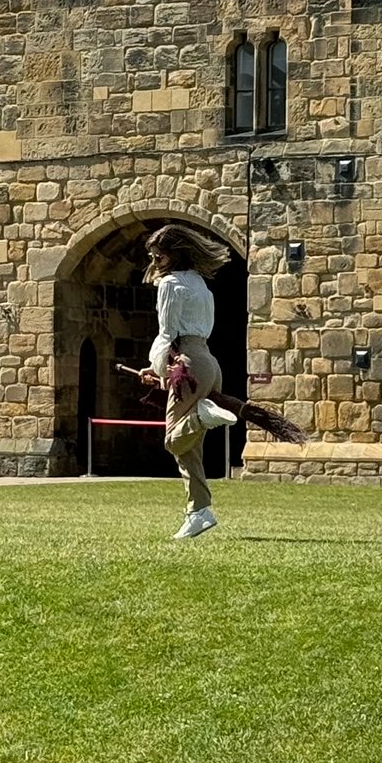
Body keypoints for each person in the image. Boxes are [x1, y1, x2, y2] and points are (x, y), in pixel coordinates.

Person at [138, 224, 233, 541]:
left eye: (159, 253)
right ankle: (199, 512)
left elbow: (167, 334)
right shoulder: (201, 286)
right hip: (208, 362)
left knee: (174, 440)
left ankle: (202, 415)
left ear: (174, 252)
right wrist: (159, 370)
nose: (155, 259)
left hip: (188, 361)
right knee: (189, 450)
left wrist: (161, 366)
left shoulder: (169, 284)